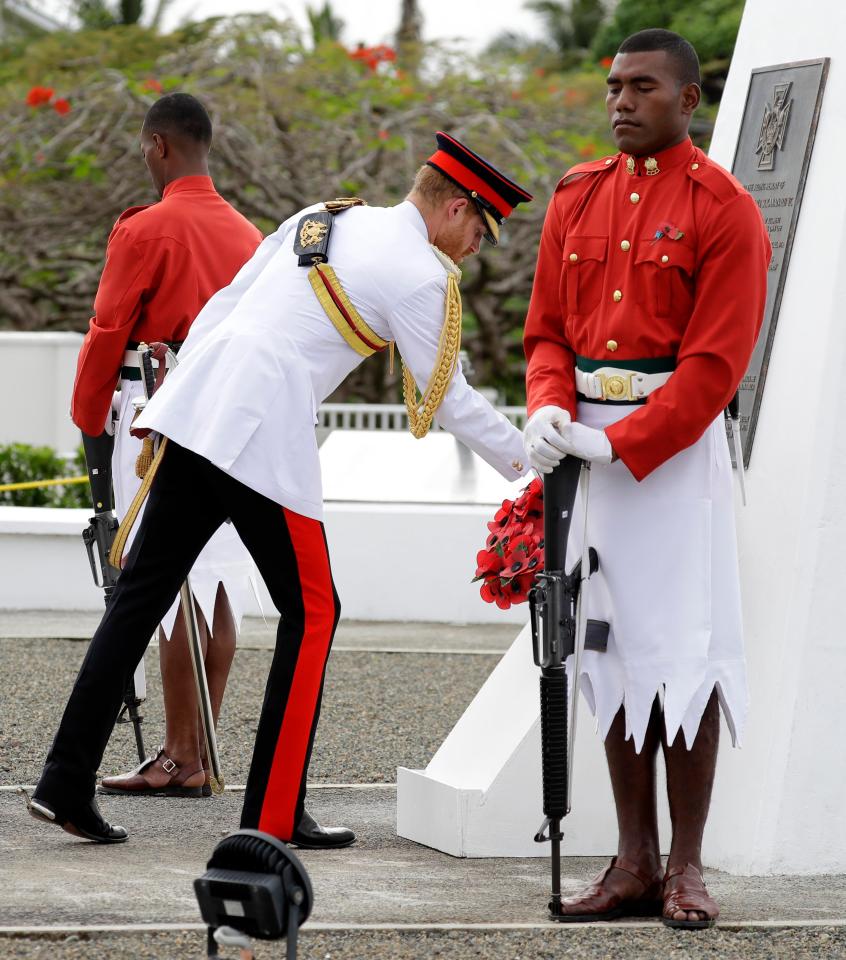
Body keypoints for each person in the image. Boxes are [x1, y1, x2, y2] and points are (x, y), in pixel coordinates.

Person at [27, 131, 532, 848]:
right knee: (314, 612)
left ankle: (63, 783)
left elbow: (223, 305)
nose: (477, 246)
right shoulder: (421, 274)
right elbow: (449, 398)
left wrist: (175, 406)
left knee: (141, 595)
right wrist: (532, 465)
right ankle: (273, 812)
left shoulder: (324, 216)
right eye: (480, 228)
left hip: (202, 405)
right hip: (261, 427)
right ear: (455, 208)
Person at [522, 29, 770, 928]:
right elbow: (546, 328)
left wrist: (621, 443)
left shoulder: (725, 207)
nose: (622, 100)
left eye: (642, 87)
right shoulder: (576, 195)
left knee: (685, 653)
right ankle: (632, 859)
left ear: (689, 99)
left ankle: (687, 868)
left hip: (669, 456)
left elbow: (716, 366)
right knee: (608, 648)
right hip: (585, 447)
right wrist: (551, 404)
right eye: (615, 86)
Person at [71, 93, 262, 798]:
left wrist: (89, 416)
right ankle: (197, 748)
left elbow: (108, 327)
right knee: (218, 585)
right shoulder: (250, 234)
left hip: (158, 410)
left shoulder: (146, 228)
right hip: (234, 416)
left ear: (159, 147)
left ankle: (181, 756)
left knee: (167, 577)